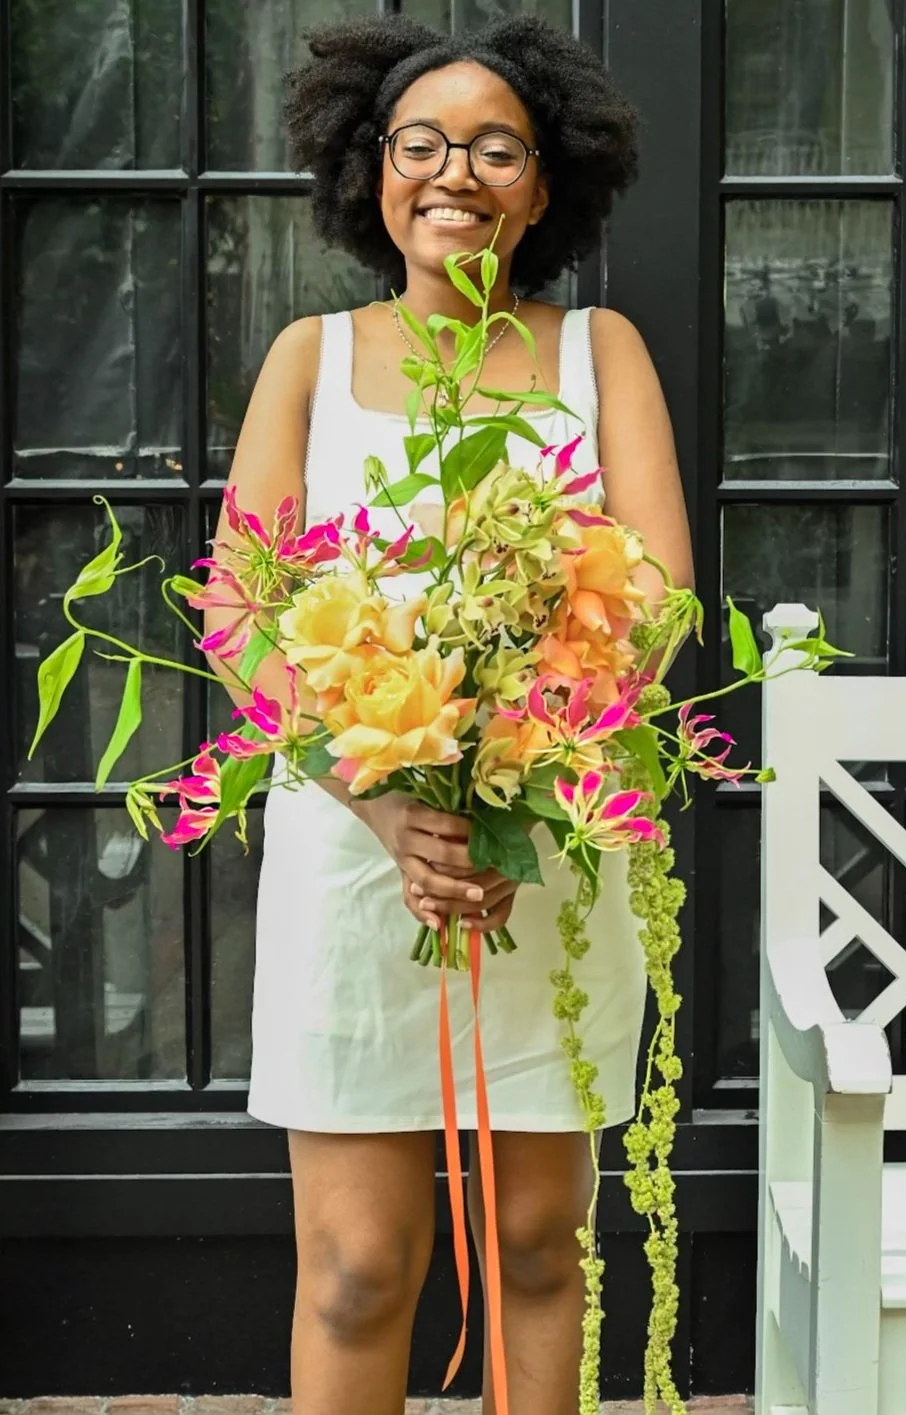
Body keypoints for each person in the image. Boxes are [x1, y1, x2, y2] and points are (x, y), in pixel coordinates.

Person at [204, 14, 693, 1415]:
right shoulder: (310, 355)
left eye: (496, 147)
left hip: (540, 854)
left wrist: (512, 771)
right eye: (420, 143)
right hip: (353, 854)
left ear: (546, 185)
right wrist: (385, 795)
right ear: (372, 171)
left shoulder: (603, 354)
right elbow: (241, 609)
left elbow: (651, 605)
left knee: (540, 1245)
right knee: (357, 1267)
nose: (453, 173)